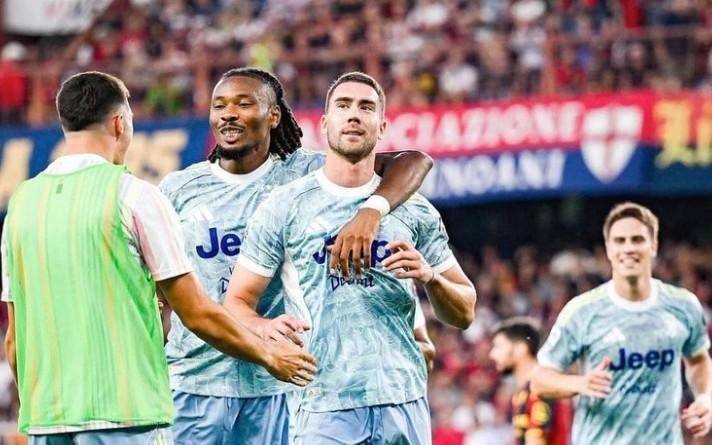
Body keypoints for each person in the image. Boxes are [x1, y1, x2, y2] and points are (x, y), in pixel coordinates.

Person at [1, 71, 316, 444]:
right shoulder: (135, 196)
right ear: (120, 123)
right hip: (124, 413)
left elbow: (14, 340)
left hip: (48, 418)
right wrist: (269, 354)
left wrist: (40, 407)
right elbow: (195, 312)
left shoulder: (22, 204)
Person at [158, 67, 435, 444]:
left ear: (273, 115)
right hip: (194, 382)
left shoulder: (307, 173)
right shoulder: (179, 189)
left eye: (243, 104)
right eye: (219, 106)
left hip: (281, 386)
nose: (229, 114)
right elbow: (162, 287)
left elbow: (413, 161)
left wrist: (372, 211)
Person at [224, 71, 477, 444]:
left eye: (366, 107)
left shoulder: (414, 209)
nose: (354, 115)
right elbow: (236, 302)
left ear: (382, 126)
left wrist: (430, 278)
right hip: (322, 405)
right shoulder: (284, 206)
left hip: (402, 401)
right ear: (325, 124)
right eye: (343, 106)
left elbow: (465, 311)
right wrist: (263, 329)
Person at [531, 202, 712, 444]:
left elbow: (698, 359)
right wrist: (580, 383)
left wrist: (705, 398)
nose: (628, 248)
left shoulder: (683, 305)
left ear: (653, 245)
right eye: (620, 241)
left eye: (637, 239)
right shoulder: (582, 311)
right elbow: (540, 379)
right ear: (608, 249)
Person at [489, 316, 571, 445]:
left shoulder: (542, 388)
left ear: (521, 348)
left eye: (498, 346)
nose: (492, 354)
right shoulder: (522, 393)